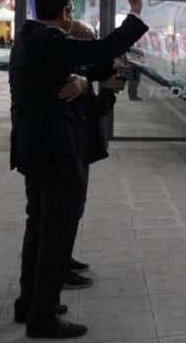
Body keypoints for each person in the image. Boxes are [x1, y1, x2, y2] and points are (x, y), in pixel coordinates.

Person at [9, 0, 147, 339]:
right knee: (55, 235)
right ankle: (42, 317)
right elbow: (101, 48)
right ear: (67, 11)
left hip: (34, 150)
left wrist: (91, 79)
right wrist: (135, 10)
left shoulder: (29, 40)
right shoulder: (51, 39)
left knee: (38, 229)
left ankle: (30, 303)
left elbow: (82, 65)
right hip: (57, 152)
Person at [55, 20, 128, 291]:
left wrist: (110, 69)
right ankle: (59, 269)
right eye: (87, 44)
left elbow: (91, 70)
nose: (91, 50)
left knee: (73, 209)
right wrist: (108, 90)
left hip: (76, 149)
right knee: (67, 211)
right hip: (70, 150)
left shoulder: (74, 68)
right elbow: (92, 112)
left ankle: (64, 258)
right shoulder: (69, 76)